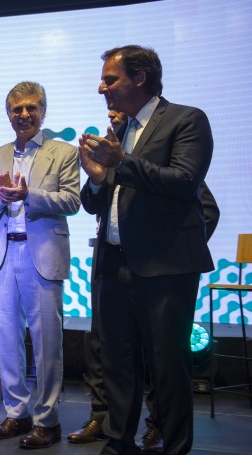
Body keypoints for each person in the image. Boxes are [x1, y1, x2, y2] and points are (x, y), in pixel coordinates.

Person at [78, 45, 214, 455]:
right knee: (117, 364)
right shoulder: (117, 131)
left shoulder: (186, 119)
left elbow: (184, 181)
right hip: (115, 263)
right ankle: (119, 442)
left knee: (168, 367)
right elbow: (93, 201)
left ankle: (173, 447)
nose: (102, 87)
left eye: (110, 79)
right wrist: (99, 177)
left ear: (139, 77)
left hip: (166, 268)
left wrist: (123, 160)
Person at [0, 82, 80, 449]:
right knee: (7, 341)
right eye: (16, 109)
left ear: (43, 111)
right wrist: (3, 200)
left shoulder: (63, 152)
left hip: (43, 255)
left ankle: (47, 421)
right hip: (4, 254)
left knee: (46, 342)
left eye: (31, 108)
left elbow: (71, 200)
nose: (23, 114)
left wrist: (27, 195)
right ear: (8, 114)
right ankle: (16, 413)